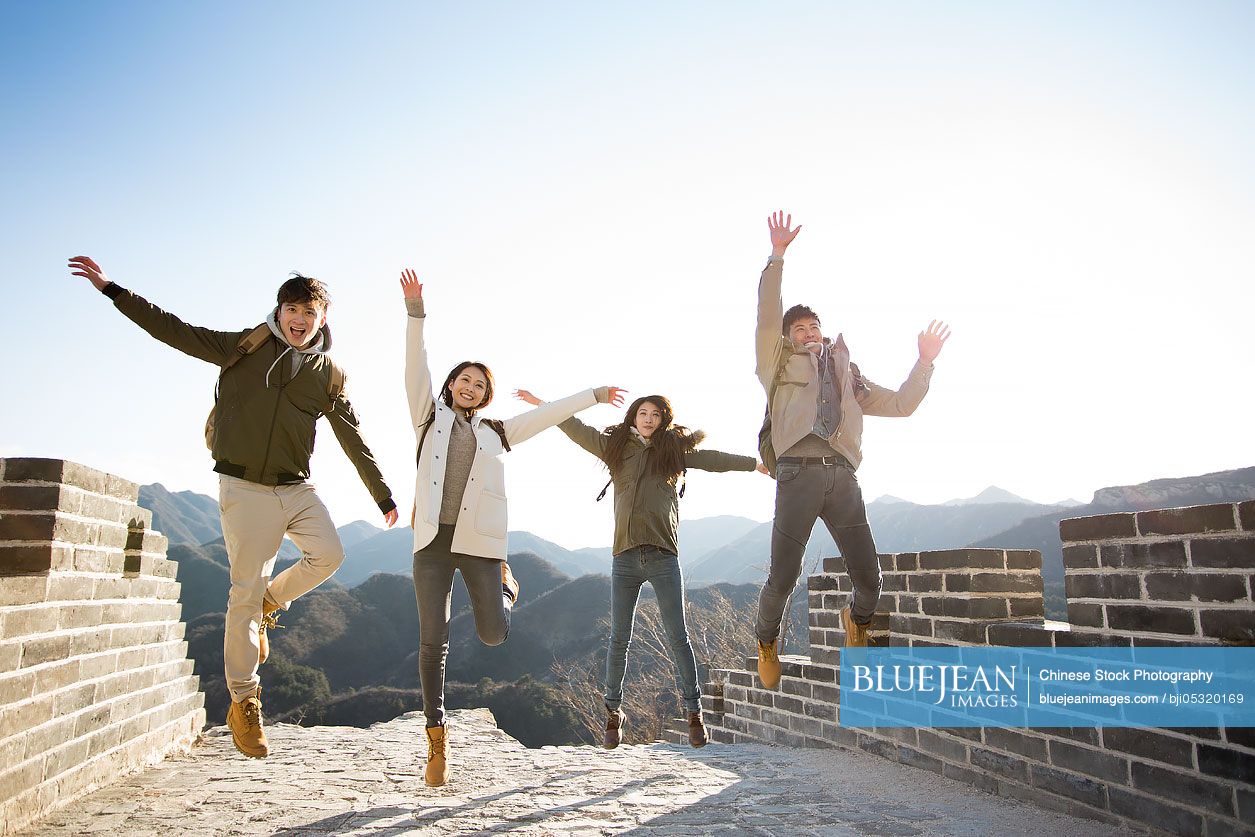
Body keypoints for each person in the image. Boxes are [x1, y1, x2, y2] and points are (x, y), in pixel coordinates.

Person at [66, 256, 398, 758]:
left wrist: (382, 494)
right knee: (243, 590)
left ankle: (272, 602)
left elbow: (352, 435)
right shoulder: (242, 347)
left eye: (309, 312)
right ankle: (244, 701)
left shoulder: (328, 374)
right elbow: (173, 329)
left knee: (329, 556)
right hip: (244, 489)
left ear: (322, 319)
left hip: (296, 486)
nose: (299, 319)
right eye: (291, 309)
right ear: (279, 310)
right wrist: (113, 290)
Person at [400, 269, 624, 786]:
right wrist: (415, 313)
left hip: (480, 547)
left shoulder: (499, 432)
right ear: (452, 384)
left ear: (486, 396)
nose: (470, 388)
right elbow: (415, 368)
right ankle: (436, 738)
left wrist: (591, 394)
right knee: (432, 641)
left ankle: (506, 591)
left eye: (480, 385)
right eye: (464, 380)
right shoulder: (427, 419)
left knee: (493, 635)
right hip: (432, 542)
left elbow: (547, 416)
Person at [752, 212, 950, 689]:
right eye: (799, 328)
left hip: (843, 477)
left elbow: (902, 405)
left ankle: (857, 622)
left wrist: (923, 363)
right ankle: (766, 640)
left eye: (814, 326)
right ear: (787, 336)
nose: (808, 332)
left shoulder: (848, 372)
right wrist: (777, 257)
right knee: (784, 574)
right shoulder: (775, 363)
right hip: (797, 473)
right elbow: (766, 311)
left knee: (871, 577)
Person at [515, 389, 765, 749]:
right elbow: (573, 426)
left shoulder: (672, 453)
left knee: (679, 638)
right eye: (643, 413)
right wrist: (543, 405)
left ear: (664, 421)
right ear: (633, 416)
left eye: (655, 415)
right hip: (625, 559)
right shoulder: (614, 448)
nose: (648, 419)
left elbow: (711, 459)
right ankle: (613, 713)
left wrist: (752, 464)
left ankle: (695, 713)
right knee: (619, 638)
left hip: (663, 556)